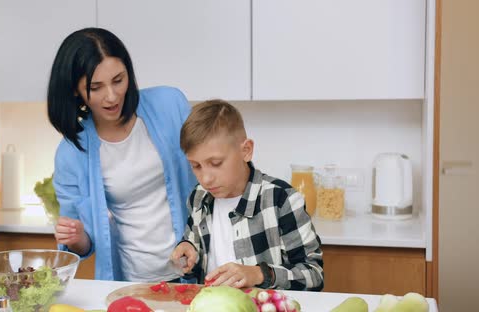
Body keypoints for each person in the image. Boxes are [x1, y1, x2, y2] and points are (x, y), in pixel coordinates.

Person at [47, 28, 197, 282]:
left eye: (118, 80)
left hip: (195, 271)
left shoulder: (170, 104)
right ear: (75, 90)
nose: (112, 96)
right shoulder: (72, 153)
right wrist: (76, 237)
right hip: (135, 280)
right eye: (96, 87)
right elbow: (83, 247)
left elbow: (209, 171)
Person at [171, 99, 324, 291]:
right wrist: (188, 254)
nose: (206, 178)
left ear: (246, 151)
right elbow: (198, 254)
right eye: (196, 166)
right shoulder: (198, 197)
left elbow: (314, 275)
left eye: (216, 163)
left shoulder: (281, 199)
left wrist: (259, 274)